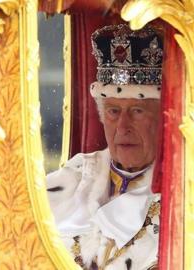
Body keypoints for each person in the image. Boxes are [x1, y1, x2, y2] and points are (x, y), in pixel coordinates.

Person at [47, 23, 163, 270]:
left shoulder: (185, 194)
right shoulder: (74, 177)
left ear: (163, 118)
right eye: (113, 111)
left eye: (137, 111)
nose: (122, 126)